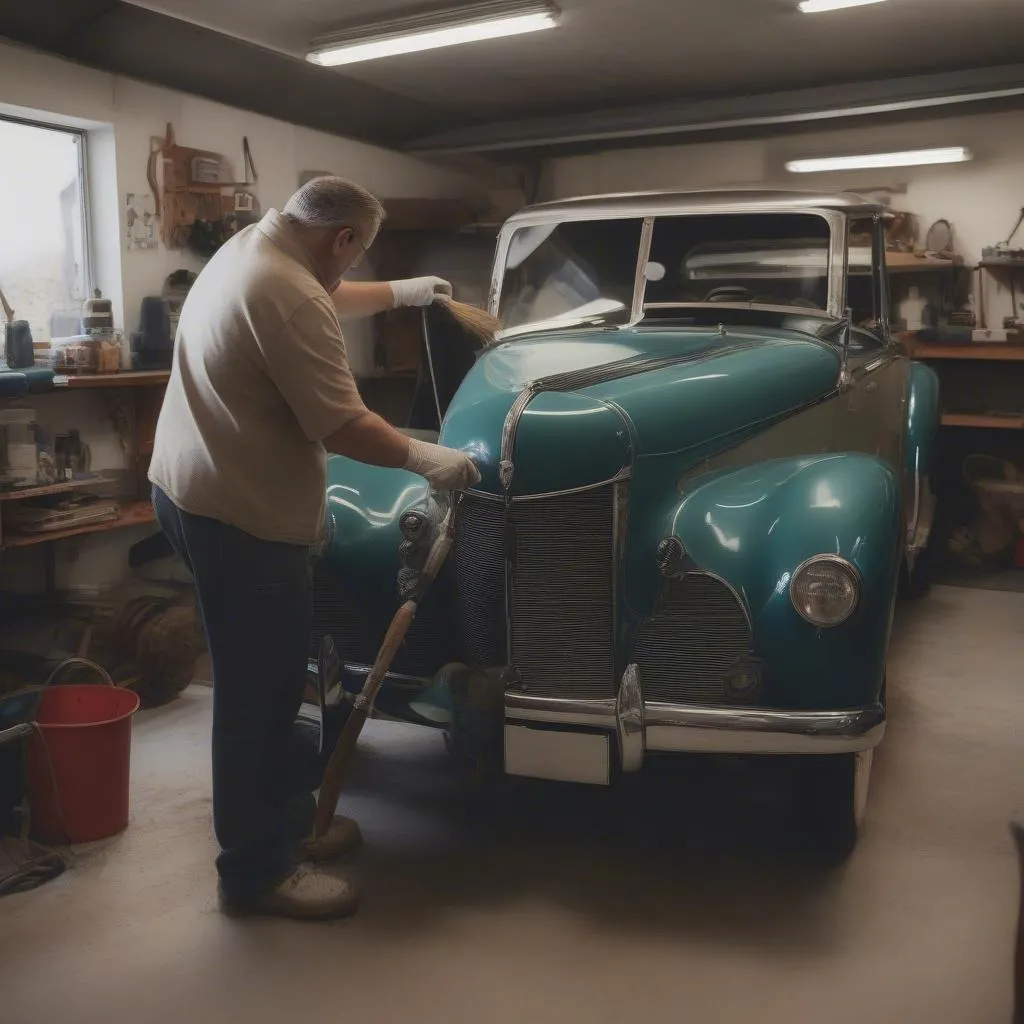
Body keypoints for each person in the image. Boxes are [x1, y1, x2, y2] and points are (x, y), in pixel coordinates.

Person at [149, 176, 480, 920]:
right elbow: (343, 424)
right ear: (341, 239)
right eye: (355, 256)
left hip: (187, 484)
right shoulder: (288, 292)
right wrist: (430, 459)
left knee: (265, 681)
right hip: (238, 514)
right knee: (257, 698)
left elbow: (319, 293)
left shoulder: (252, 249)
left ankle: (291, 824)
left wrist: (402, 293)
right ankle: (255, 873)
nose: (348, 271)